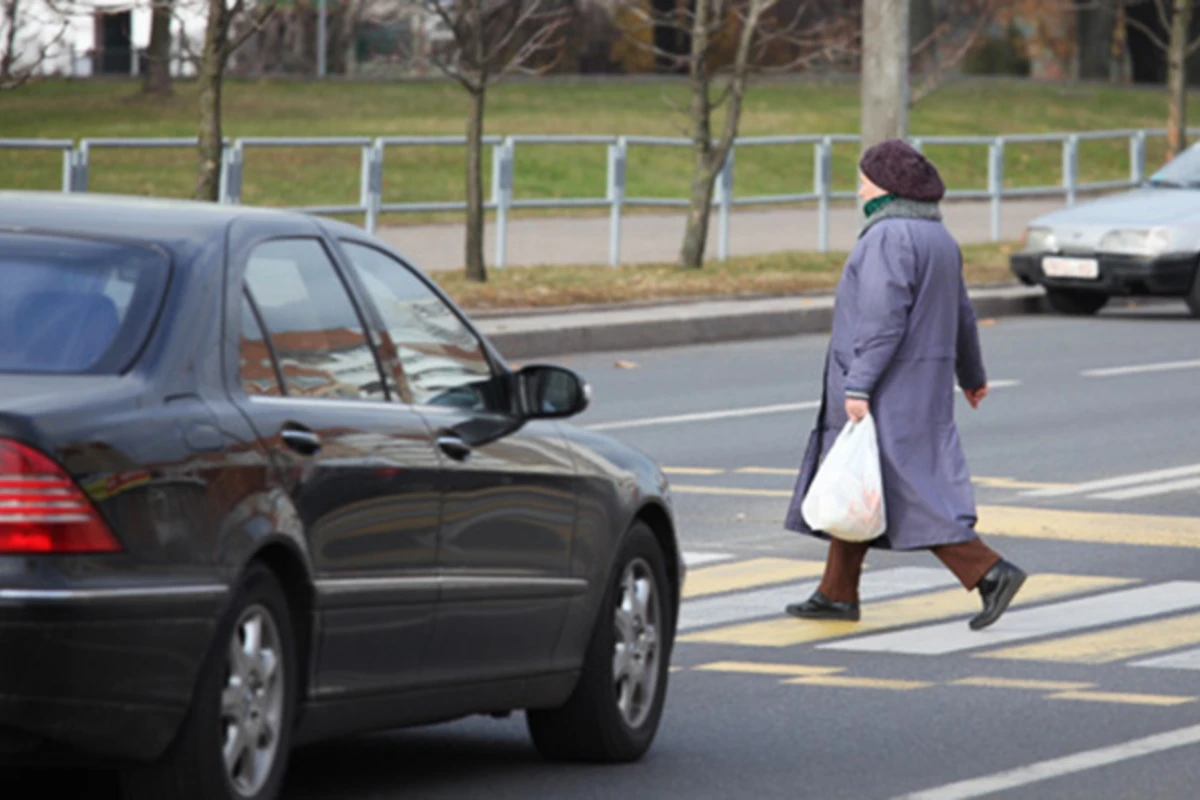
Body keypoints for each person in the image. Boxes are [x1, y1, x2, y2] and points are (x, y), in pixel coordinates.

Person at [782, 139, 1026, 631]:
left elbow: (881, 319)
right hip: (922, 384)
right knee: (862, 481)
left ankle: (989, 572)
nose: (858, 187)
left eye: (865, 178)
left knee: (903, 487)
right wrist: (972, 375)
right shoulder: (938, 237)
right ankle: (836, 592)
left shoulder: (887, 237)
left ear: (888, 186)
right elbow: (962, 315)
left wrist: (858, 386)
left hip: (888, 386)